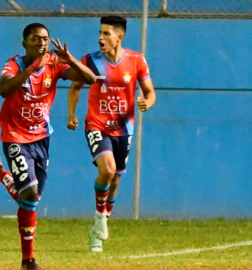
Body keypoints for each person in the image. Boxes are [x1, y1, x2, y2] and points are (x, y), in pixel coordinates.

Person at [0, 23, 96, 270]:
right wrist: (32, 69)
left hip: (41, 137)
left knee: (30, 200)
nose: (41, 42)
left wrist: (71, 60)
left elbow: (90, 79)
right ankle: (28, 261)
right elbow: (4, 90)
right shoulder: (13, 64)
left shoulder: (54, 63)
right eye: (35, 38)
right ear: (25, 43)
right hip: (14, 136)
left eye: (44, 38)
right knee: (30, 194)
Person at [66, 16, 157, 252]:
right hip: (97, 124)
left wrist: (147, 102)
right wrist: (71, 114)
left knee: (116, 179)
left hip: (123, 129)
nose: (100, 37)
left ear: (120, 37)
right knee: (106, 169)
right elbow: (75, 86)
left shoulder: (137, 60)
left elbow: (150, 92)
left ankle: (99, 227)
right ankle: (99, 219)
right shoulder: (91, 61)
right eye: (100, 32)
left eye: (106, 33)